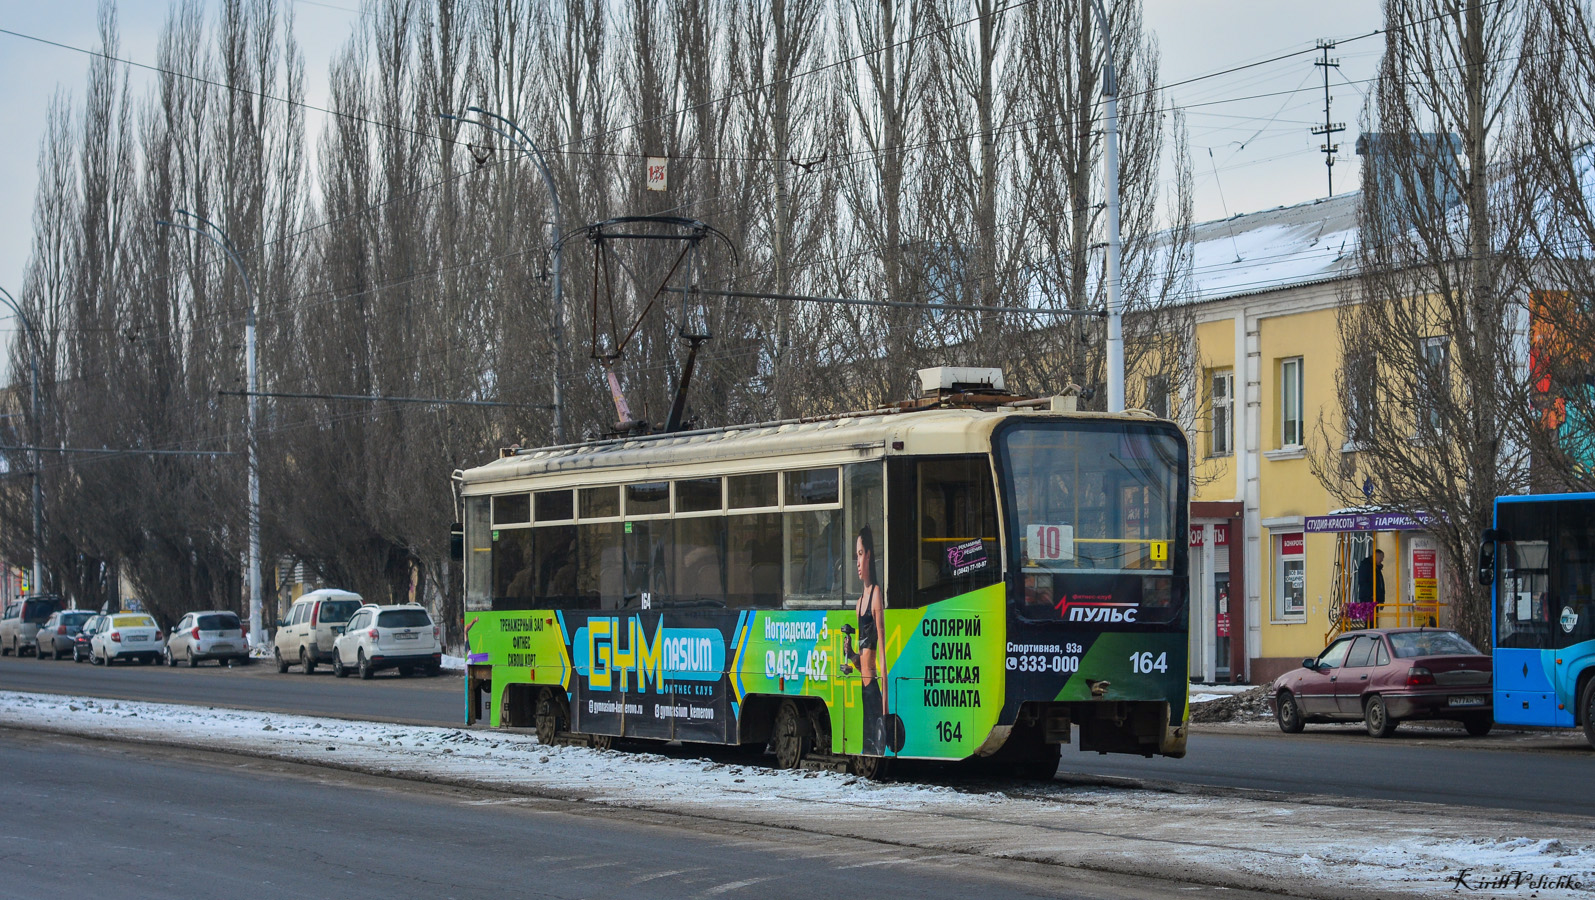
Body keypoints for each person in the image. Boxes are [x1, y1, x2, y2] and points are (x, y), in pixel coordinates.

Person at [845, 525, 888, 755]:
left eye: (861, 554)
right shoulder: (859, 603)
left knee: (875, 748)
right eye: (856, 556)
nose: (858, 563)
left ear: (869, 555)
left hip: (873, 691)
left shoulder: (876, 595)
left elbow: (881, 653)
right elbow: (861, 663)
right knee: (866, 748)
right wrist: (851, 654)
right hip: (864, 689)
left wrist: (886, 708)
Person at [1355, 549, 1387, 622]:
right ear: (1376, 556)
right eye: (1381, 558)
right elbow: (1363, 582)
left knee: (1373, 621)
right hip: (1368, 599)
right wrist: (1371, 595)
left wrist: (1381, 600)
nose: (1382, 560)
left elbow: (1379, 585)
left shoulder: (1376, 568)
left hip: (1374, 599)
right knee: (1370, 621)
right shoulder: (1367, 566)